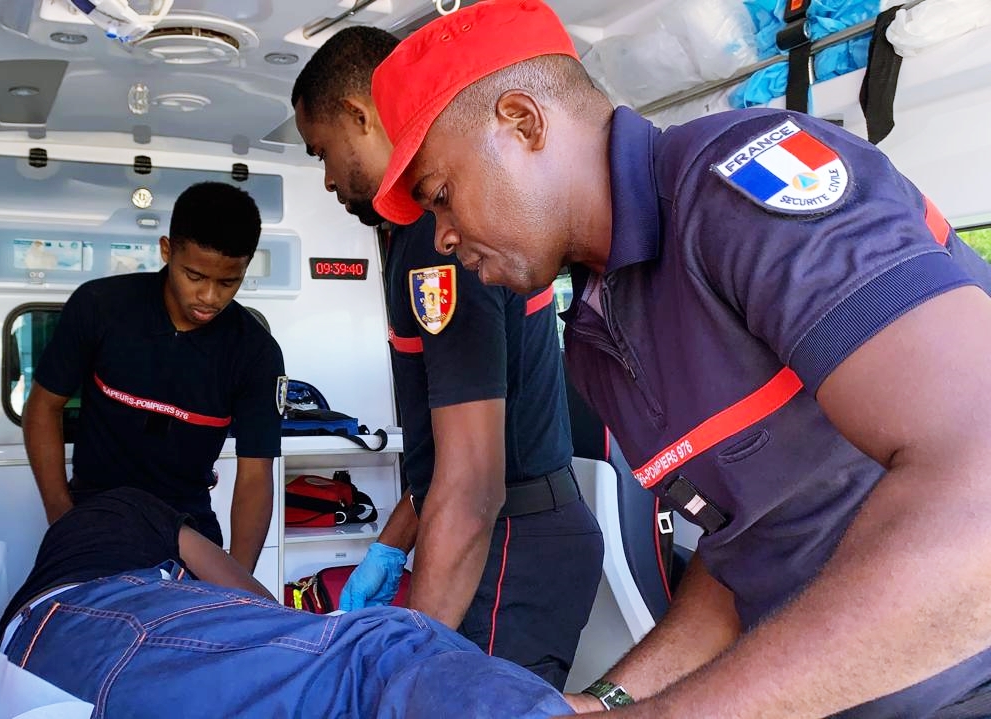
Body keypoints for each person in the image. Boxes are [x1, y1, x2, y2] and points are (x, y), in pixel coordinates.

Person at [367, 1, 991, 716]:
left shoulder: (739, 181)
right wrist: (604, 702)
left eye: (442, 197)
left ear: (522, 121)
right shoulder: (595, 343)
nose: (442, 237)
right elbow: (743, 555)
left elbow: (979, 494)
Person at [290, 26, 603, 688]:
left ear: (357, 114)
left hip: (510, 542)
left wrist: (410, 656)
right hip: (512, 533)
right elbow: (447, 457)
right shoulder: (423, 235)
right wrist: (390, 544)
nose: (327, 177)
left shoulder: (438, 245)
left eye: (322, 150)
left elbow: (471, 481)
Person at [0, 486, 576, 719]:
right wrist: (311, 629)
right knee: (376, 653)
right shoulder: (131, 510)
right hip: (98, 621)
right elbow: (245, 591)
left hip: (46, 655)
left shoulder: (77, 542)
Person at [22, 181, 284, 571]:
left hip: (188, 523)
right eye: (195, 276)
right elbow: (44, 407)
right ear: (166, 250)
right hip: (95, 512)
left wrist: (239, 579)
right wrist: (62, 517)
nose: (209, 297)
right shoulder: (99, 307)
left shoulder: (256, 353)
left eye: (228, 282)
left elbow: (255, 476)